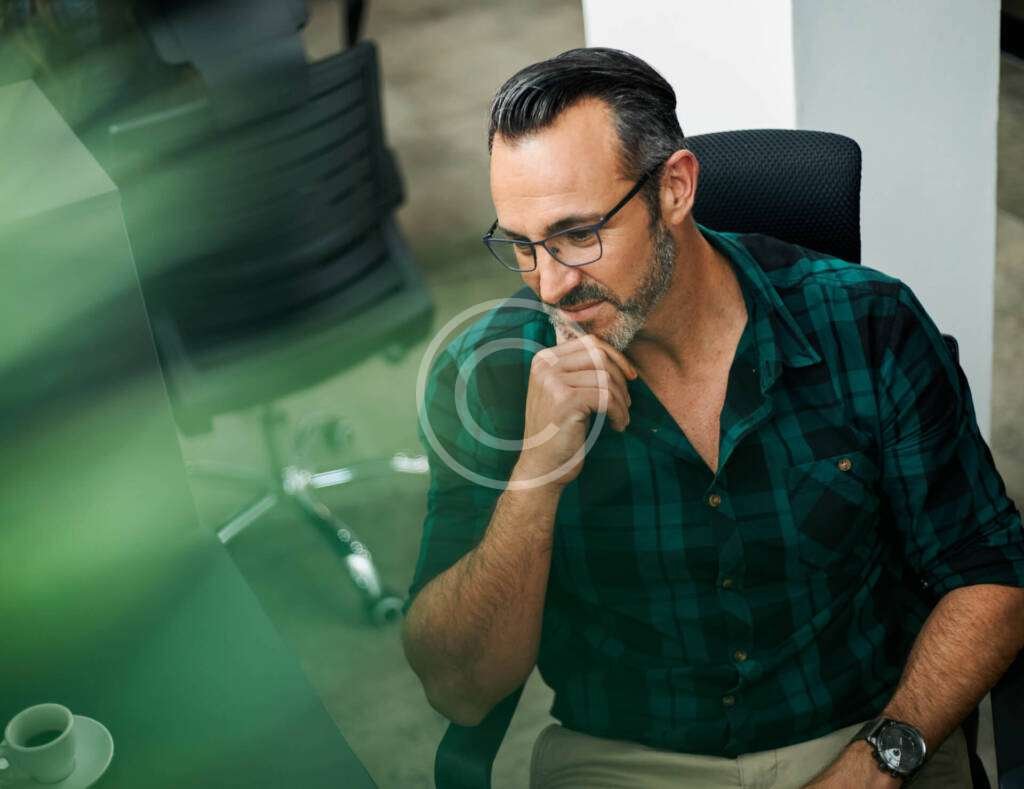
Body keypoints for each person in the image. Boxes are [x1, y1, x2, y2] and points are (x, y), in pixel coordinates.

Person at [401, 47, 1024, 788]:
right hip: (626, 760)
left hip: (865, 736)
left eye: (578, 235)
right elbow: (459, 687)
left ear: (674, 187)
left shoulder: (868, 323)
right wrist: (537, 475)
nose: (551, 284)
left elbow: (994, 576)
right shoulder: (488, 372)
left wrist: (877, 762)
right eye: (523, 245)